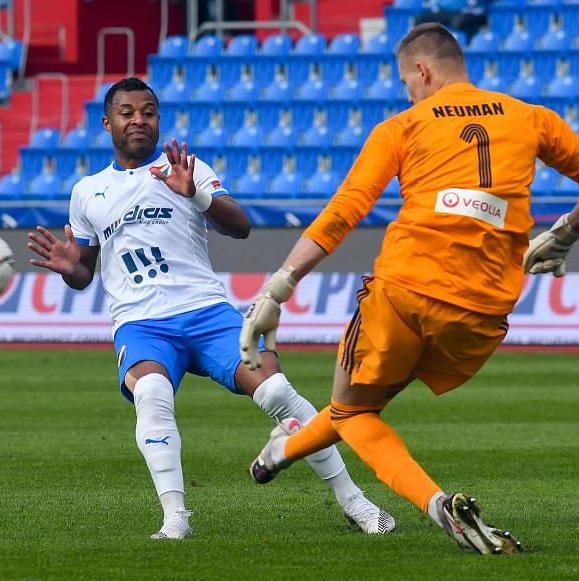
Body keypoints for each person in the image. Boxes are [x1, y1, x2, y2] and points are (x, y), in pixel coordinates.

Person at [240, 24, 579, 554]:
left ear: (421, 71)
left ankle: (438, 505)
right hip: (482, 311)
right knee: (361, 405)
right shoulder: (531, 117)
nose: (408, 91)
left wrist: (280, 286)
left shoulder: (404, 125)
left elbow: (346, 209)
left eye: (407, 81)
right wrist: (563, 233)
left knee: (352, 411)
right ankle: (276, 457)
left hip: (406, 289)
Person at [27, 77, 394, 540]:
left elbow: (240, 227)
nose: (139, 120)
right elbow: (84, 273)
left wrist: (195, 194)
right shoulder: (88, 192)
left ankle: (355, 503)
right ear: (107, 123)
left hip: (207, 313)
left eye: (148, 112)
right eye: (127, 112)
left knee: (279, 392)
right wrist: (69, 266)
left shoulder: (188, 167)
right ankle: (175, 519)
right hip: (141, 325)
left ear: (158, 119)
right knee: (152, 396)